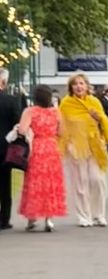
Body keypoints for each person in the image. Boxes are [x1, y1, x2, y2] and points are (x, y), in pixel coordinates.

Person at [59, 73, 108, 227]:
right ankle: (84, 216)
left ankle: (99, 215)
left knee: (97, 180)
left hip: (95, 146)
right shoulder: (66, 104)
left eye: (81, 83)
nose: (79, 86)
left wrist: (99, 118)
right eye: (75, 84)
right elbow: (63, 125)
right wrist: (66, 143)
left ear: (87, 86)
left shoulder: (94, 101)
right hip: (76, 147)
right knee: (80, 183)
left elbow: (104, 121)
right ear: (71, 87)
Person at [17, 84, 67, 232]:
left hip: (36, 148)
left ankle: (31, 217)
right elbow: (62, 132)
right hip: (51, 147)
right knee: (51, 182)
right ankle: (49, 218)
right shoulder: (56, 112)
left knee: (34, 181)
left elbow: (22, 130)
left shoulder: (30, 111)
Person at [0, 68, 22, 230]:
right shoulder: (12, 101)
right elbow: (18, 124)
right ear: (4, 82)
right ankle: (4, 219)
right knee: (4, 184)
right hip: (4, 147)